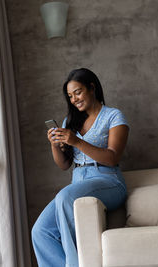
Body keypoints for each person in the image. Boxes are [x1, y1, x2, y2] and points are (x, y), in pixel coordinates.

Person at [31, 68, 129, 267]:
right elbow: (64, 165)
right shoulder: (71, 122)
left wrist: (76, 141)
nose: (74, 99)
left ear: (92, 88)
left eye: (78, 92)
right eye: (70, 96)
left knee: (65, 196)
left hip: (108, 180)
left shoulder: (113, 116)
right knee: (41, 231)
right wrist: (54, 144)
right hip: (78, 181)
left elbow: (112, 157)